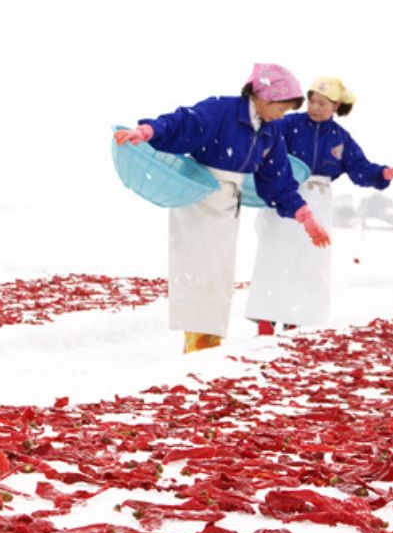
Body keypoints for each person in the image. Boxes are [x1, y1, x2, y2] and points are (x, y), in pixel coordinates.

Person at [114, 64, 329, 353]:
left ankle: (208, 343)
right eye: (282, 108)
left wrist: (305, 216)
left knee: (219, 276)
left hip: (229, 204)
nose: (283, 115)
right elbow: (183, 122)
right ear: (265, 97)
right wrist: (147, 130)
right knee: (198, 272)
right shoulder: (222, 111)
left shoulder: (269, 133)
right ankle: (198, 344)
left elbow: (278, 181)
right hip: (199, 197)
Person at [245, 76, 393, 333]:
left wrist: (388, 173)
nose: (314, 107)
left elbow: (361, 169)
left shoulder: (340, 138)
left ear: (336, 106)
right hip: (285, 192)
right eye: (312, 101)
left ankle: (298, 320)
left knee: (310, 262)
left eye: (322, 103)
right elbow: (262, 140)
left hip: (319, 199)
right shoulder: (288, 124)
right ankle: (266, 321)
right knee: (275, 257)